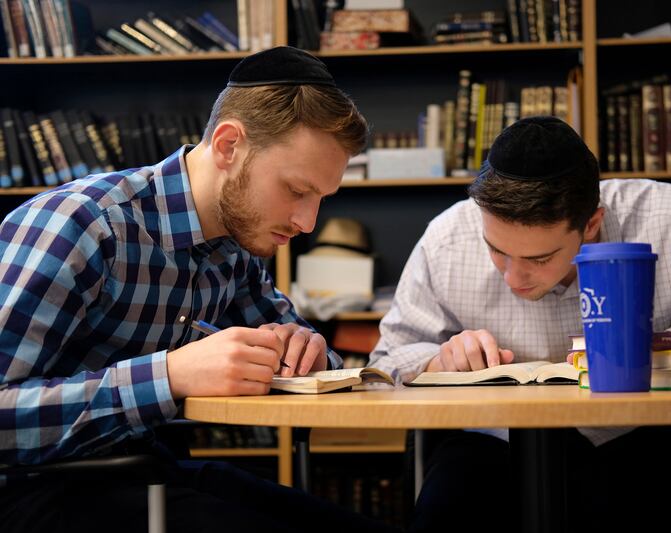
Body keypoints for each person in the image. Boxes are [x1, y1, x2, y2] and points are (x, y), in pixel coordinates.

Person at [0, 46, 400, 533]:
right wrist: (168, 377)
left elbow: (303, 350)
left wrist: (311, 352)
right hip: (33, 491)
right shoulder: (83, 224)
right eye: (297, 190)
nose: (306, 221)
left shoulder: (235, 245)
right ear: (230, 145)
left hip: (147, 471)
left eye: (320, 198)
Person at [369, 116, 671, 532]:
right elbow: (386, 362)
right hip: (491, 444)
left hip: (635, 434)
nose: (513, 279)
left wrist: (645, 346)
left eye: (539, 258)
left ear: (590, 224)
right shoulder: (446, 237)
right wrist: (438, 361)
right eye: (497, 250)